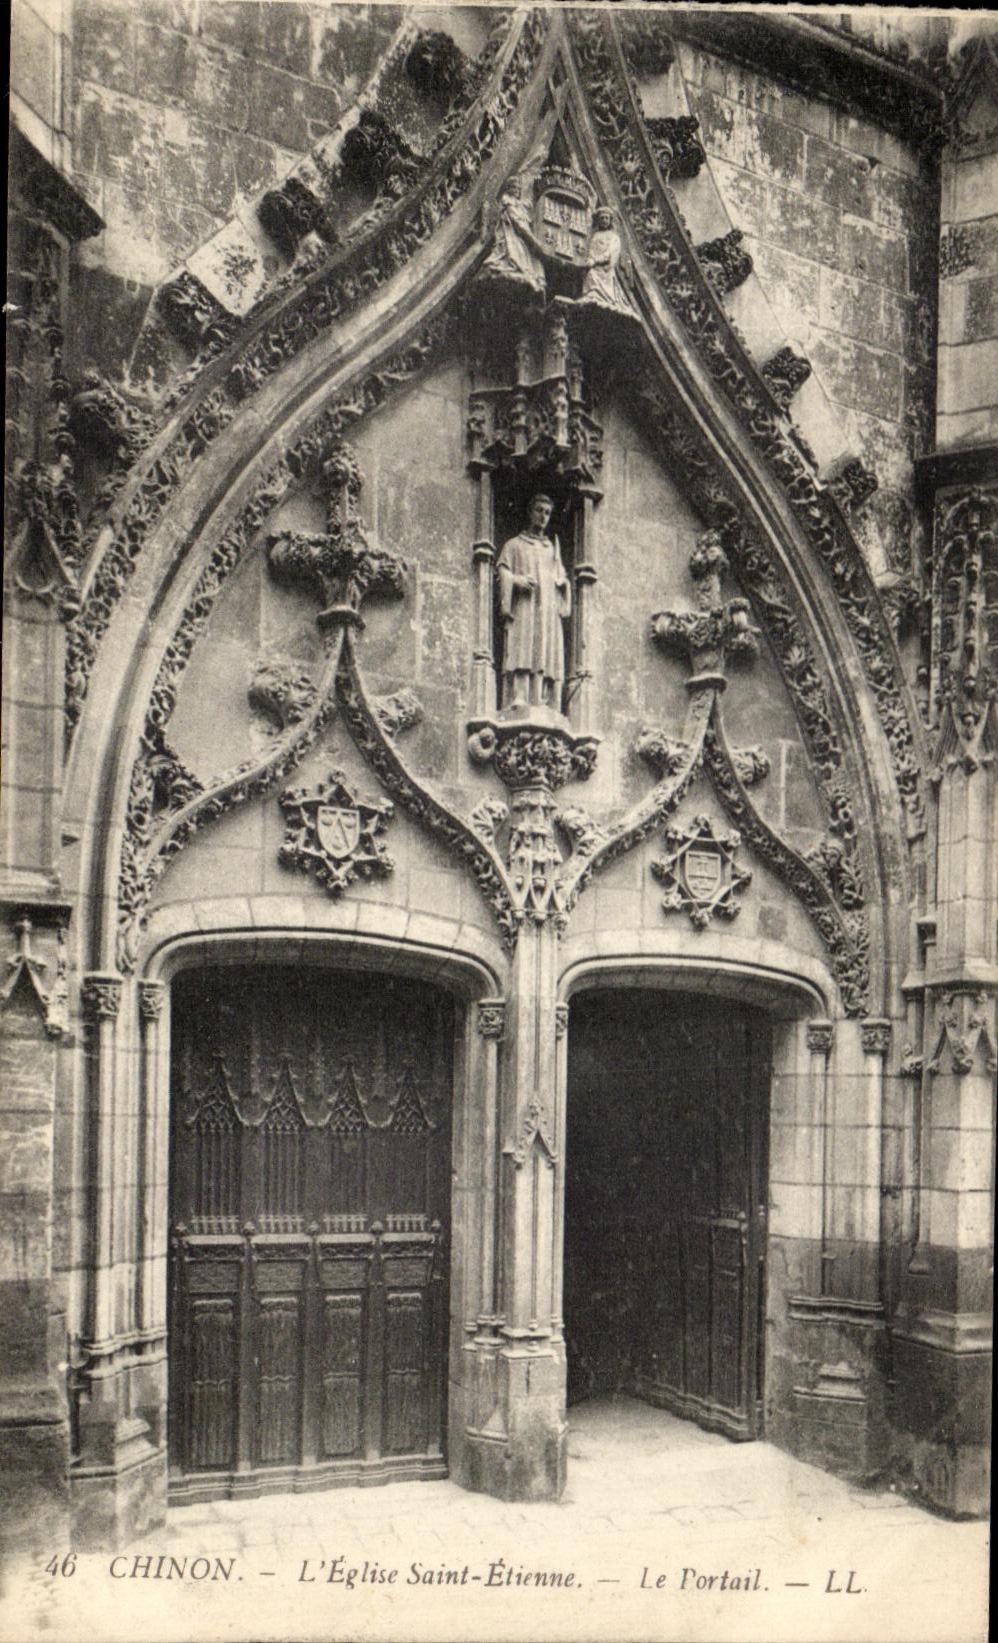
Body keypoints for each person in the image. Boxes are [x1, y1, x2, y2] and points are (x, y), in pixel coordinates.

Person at [496, 495, 572, 711]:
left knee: (545, 649)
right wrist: (517, 581)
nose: (543, 516)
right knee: (522, 645)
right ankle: (519, 694)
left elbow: (562, 577)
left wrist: (563, 584)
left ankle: (541, 697)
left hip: (547, 609)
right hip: (524, 607)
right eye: (539, 510)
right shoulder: (514, 545)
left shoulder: (552, 549)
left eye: (547, 513)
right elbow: (502, 570)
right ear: (530, 513)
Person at [482, 176, 546, 292]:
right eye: (514, 188)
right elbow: (518, 223)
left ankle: (536, 280)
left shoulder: (519, 204)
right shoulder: (508, 202)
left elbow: (528, 209)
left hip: (520, 237)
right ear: (508, 189)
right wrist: (533, 240)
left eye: (518, 188)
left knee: (531, 258)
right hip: (511, 235)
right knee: (516, 254)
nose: (517, 190)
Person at [581, 208, 633, 313]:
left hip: (605, 269)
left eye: (606, 218)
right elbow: (591, 250)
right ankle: (593, 295)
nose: (604, 220)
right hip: (593, 267)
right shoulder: (595, 235)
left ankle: (606, 298)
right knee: (591, 275)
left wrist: (595, 261)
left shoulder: (614, 237)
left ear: (610, 220)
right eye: (602, 218)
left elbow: (609, 254)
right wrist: (590, 260)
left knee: (595, 276)